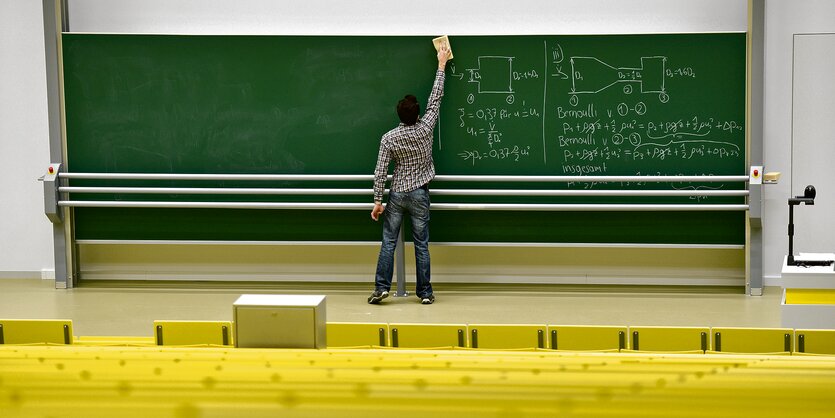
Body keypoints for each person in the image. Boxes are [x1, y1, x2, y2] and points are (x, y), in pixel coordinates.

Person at [368, 43, 451, 305]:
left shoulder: (389, 138)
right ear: (417, 114)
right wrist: (441, 65)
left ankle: (381, 288)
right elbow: (436, 98)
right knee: (421, 244)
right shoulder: (426, 128)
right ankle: (425, 293)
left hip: (398, 194)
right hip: (419, 194)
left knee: (389, 242)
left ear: (399, 115)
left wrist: (378, 201)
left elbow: (381, 170)